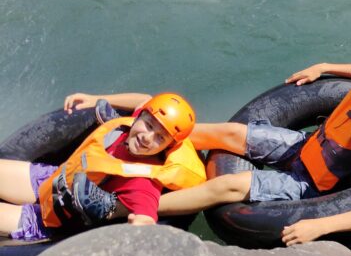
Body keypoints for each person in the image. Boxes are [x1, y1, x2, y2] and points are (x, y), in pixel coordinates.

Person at [67, 40, 351, 246]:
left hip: (311, 184)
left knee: (228, 186)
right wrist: (323, 66)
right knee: (221, 132)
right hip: (303, 146)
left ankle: (116, 208)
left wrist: (319, 226)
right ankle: (124, 126)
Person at [0, 93, 205, 241]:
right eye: (149, 126)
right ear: (138, 117)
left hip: (46, 221)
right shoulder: (124, 128)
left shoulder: (142, 182)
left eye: (160, 138)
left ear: (167, 147)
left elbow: (146, 215)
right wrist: (94, 98)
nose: (146, 137)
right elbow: (143, 98)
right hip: (48, 179)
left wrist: (143, 224)